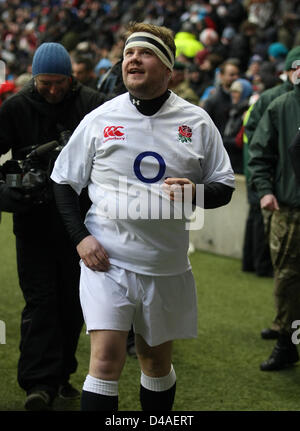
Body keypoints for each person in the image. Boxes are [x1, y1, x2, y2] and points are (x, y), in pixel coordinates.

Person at [51, 22, 235, 411]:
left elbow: (224, 186)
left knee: (155, 361)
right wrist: (81, 237)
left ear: (168, 68)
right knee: (105, 360)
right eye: (129, 53)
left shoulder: (197, 122)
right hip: (107, 261)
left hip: (165, 264)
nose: (133, 59)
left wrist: (195, 192)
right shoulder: (101, 118)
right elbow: (64, 181)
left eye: (146, 52)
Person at [0, 42, 105, 410]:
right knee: (41, 301)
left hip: (81, 222)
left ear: (70, 77)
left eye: (60, 82)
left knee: (74, 303)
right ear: (34, 77)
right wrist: (6, 193)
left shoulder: (92, 103)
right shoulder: (15, 107)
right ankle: (38, 383)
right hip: (33, 223)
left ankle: (61, 374)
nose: (53, 90)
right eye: (45, 83)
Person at [245, 45, 300, 340]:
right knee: (287, 273)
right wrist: (264, 189)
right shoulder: (277, 104)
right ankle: (286, 336)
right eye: (296, 67)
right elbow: (259, 149)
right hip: (288, 204)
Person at [203, 59, 240, 136]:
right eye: (232, 75)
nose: (236, 78)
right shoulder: (212, 100)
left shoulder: (244, 97)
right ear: (221, 75)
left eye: (237, 74)